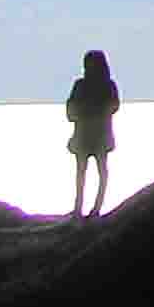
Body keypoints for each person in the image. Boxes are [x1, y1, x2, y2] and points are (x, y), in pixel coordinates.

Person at [62, 47, 121, 219]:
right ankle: (79, 209)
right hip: (84, 135)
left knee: (99, 171)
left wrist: (89, 111)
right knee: (82, 173)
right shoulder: (81, 84)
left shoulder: (107, 85)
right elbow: (71, 107)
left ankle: (95, 209)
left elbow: (113, 106)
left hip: (98, 135)